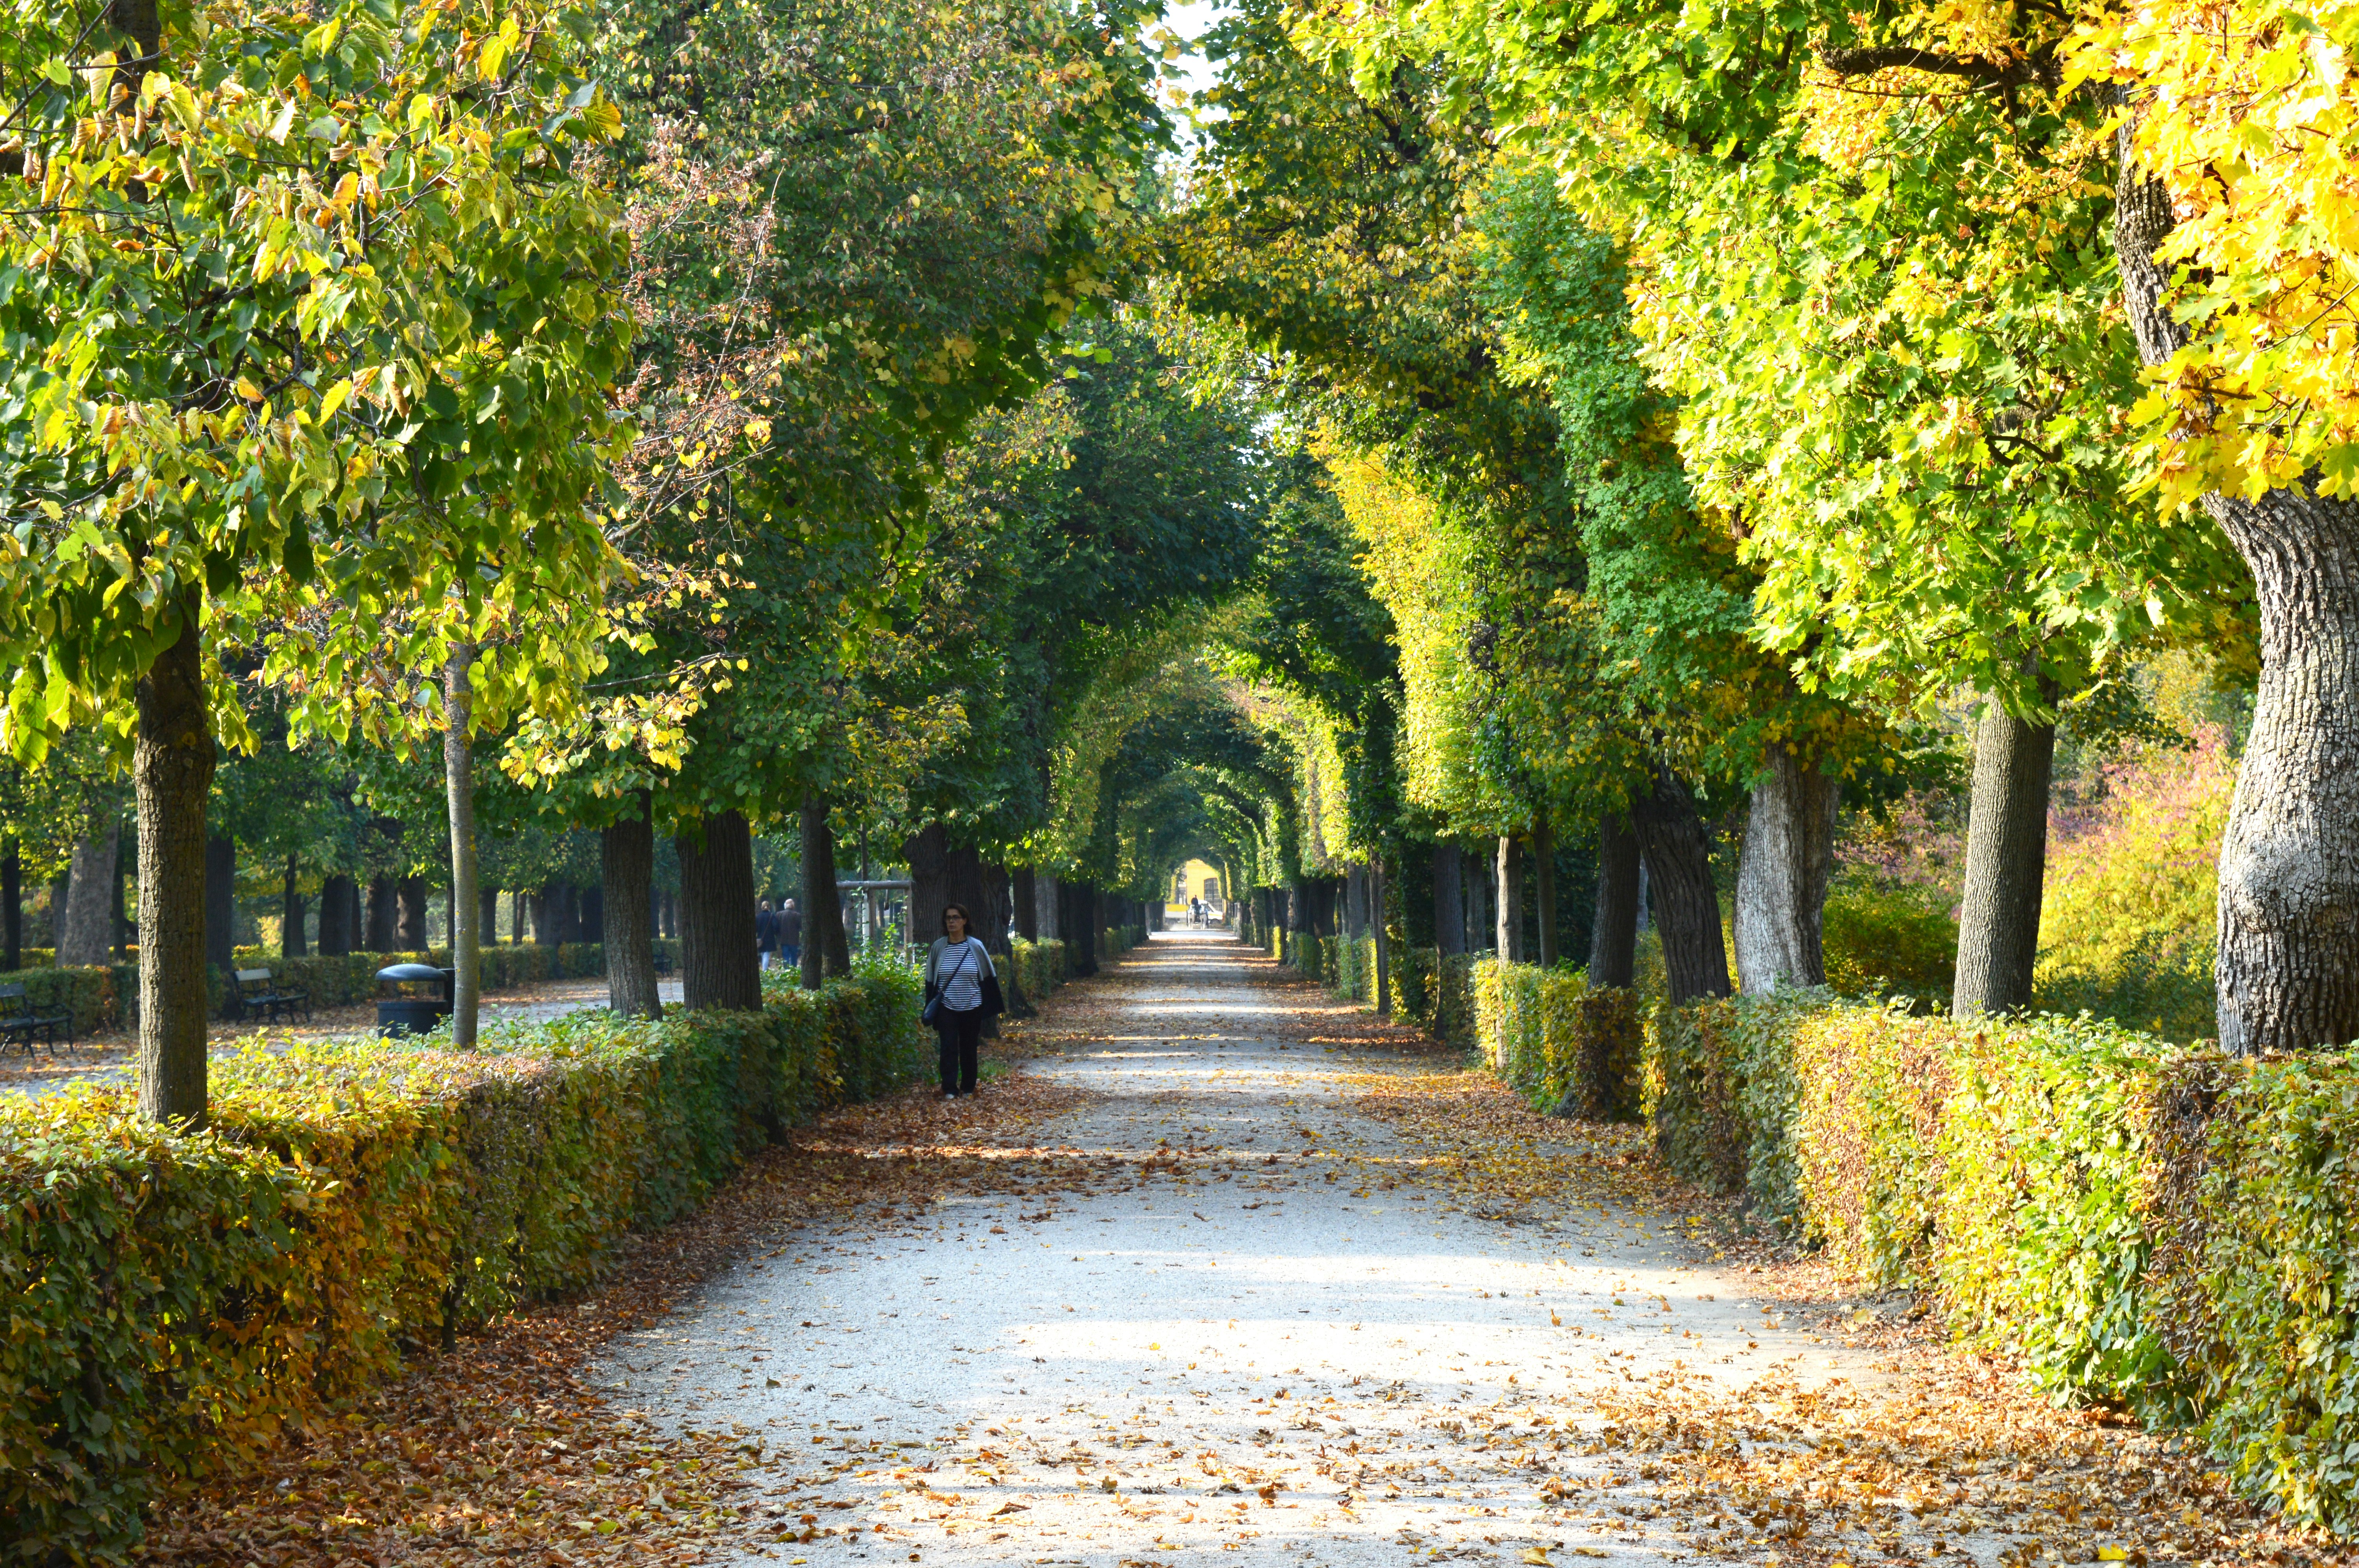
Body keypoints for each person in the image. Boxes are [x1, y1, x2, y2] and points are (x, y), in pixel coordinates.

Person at [924, 903, 997, 1097]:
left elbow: (988, 976)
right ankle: (949, 1088)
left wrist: (986, 1006)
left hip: (972, 1006)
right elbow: (931, 978)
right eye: (948, 918)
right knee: (948, 1047)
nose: (952, 921)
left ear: (965, 921)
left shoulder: (976, 946)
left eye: (956, 918)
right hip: (947, 1006)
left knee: (969, 1048)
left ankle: (968, 1088)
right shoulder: (939, 947)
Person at [778, 898, 803, 973]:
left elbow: (777, 927)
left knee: (786, 957)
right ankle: (794, 971)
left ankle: (787, 971)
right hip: (794, 940)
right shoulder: (797, 915)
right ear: (793, 906)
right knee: (794, 957)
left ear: (785, 906)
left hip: (783, 939)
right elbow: (801, 927)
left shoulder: (779, 915)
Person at [755, 900, 777, 970]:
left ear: (762, 907)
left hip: (760, 938)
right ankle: (765, 970)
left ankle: (765, 970)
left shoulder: (758, 917)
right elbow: (776, 927)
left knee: (763, 955)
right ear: (769, 907)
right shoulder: (772, 916)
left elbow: (756, 929)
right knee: (767, 955)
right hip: (769, 938)